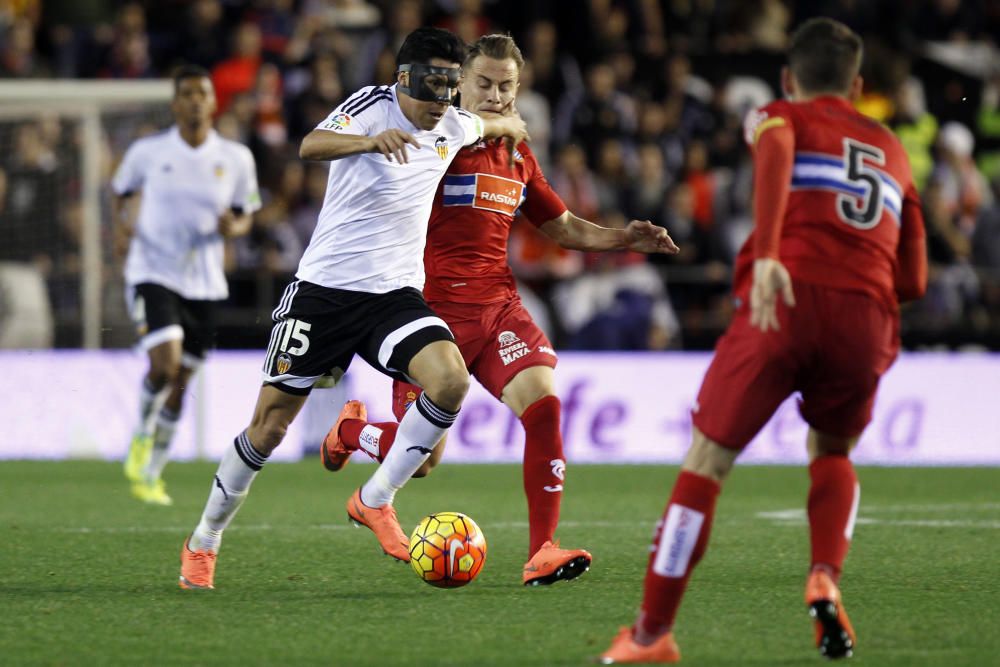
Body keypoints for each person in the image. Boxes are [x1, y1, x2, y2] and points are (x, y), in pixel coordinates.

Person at [597, 18, 928, 663]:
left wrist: (773, 252)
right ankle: (825, 573)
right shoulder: (894, 150)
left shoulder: (779, 115)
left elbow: (774, 150)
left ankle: (651, 634)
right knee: (832, 449)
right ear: (856, 86)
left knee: (707, 463)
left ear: (788, 79)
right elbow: (913, 278)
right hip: (866, 317)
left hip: (787, 301)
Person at [319, 34, 679, 586]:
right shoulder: (434, 140)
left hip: (496, 308)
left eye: (506, 85)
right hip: (426, 314)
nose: (494, 95)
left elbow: (559, 227)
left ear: (519, 88)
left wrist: (622, 238)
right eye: (482, 83)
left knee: (545, 405)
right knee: (427, 458)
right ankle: (354, 434)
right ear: (460, 84)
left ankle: (543, 550)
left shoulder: (517, 156)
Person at [177, 27, 528, 590]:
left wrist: (511, 123)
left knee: (450, 382)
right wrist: (371, 141)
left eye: (449, 89)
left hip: (393, 297)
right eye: (432, 87)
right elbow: (310, 145)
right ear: (405, 78)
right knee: (268, 430)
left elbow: (487, 122)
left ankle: (376, 498)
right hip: (324, 293)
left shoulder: (455, 122)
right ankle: (204, 539)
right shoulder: (372, 106)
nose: (440, 103)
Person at [114, 65, 260, 506]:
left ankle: (152, 470)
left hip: (205, 282)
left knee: (180, 381)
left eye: (203, 93)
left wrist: (234, 228)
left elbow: (246, 212)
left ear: (214, 103)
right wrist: (125, 229)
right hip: (153, 271)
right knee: (164, 363)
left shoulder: (236, 158)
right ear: (175, 103)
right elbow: (119, 193)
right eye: (187, 94)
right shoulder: (147, 152)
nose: (196, 101)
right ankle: (141, 435)